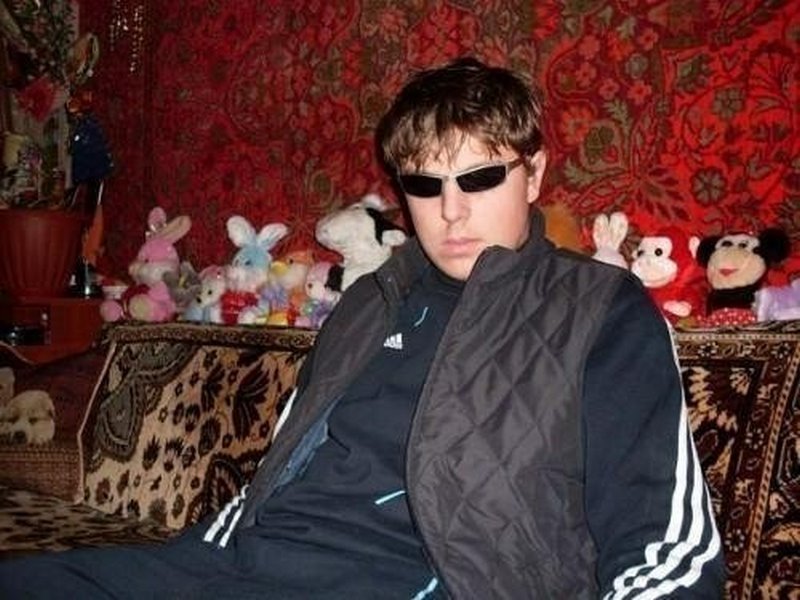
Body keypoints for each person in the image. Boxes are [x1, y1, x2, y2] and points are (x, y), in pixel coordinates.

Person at [0, 57, 724, 599]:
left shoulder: (598, 308)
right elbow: (275, 478)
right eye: (425, 185)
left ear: (533, 173)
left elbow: (670, 556)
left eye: (480, 179)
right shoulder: (368, 303)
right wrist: (192, 560)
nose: (452, 211)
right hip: (249, 568)